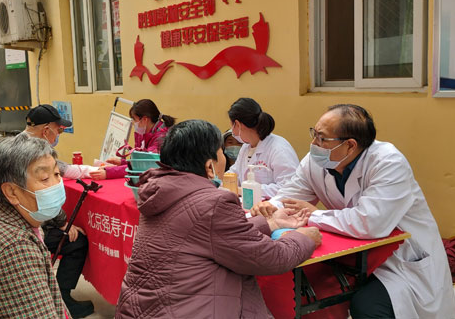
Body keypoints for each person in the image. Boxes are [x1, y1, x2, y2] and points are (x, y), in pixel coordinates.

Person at [252, 104, 455, 318]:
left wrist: (313, 214)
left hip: (402, 259)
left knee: (368, 307)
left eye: (322, 138)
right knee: (299, 292)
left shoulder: (388, 162)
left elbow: (369, 223)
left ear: (350, 145)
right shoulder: (315, 162)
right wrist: (269, 208)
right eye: (314, 134)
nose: (314, 144)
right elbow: (290, 197)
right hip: (355, 256)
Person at [115, 119, 321, 318]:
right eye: (221, 152)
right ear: (209, 166)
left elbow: (209, 235)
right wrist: (304, 238)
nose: (225, 157)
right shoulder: (213, 203)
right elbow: (270, 258)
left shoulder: (161, 192)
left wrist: (272, 223)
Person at [0, 135, 68, 317]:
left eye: (57, 174)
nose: (57, 184)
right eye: (45, 178)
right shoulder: (14, 248)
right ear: (11, 192)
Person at [23, 104, 94, 318]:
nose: (59, 134)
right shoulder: (35, 152)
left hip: (8, 221)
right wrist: (63, 222)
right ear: (46, 131)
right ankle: (61, 299)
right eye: (59, 129)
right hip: (27, 227)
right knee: (76, 240)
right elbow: (42, 195)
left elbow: (62, 169)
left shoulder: (15, 144)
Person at [227, 97, 299, 198]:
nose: (232, 131)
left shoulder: (278, 148)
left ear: (238, 124)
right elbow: (234, 173)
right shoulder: (245, 148)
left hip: (275, 208)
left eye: (232, 125)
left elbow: (288, 188)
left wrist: (245, 190)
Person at [90, 99, 176, 180]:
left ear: (145, 119)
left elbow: (144, 166)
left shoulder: (161, 137)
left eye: (134, 119)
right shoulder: (145, 132)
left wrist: (109, 173)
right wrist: (122, 163)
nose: (133, 123)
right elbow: (140, 161)